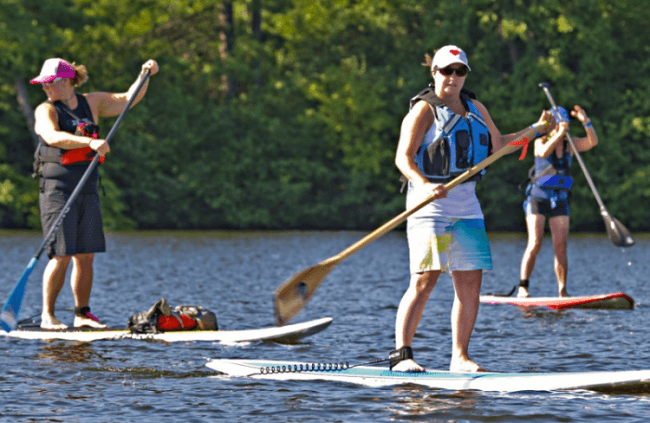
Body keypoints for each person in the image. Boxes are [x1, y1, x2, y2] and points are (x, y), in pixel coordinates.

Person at [392, 45, 550, 372]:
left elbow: (500, 144)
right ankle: (402, 355)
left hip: (467, 207)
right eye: (446, 71)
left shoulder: (475, 107)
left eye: (459, 71)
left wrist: (535, 130)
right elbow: (403, 158)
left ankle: (460, 357)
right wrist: (423, 184)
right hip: (430, 208)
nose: (453, 77)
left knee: (469, 282)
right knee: (425, 279)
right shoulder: (423, 110)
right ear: (434, 73)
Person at [31, 57, 159, 329]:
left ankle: (81, 315)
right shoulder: (46, 110)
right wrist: (90, 141)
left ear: (65, 82)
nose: (45, 89)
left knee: (86, 254)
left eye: (48, 84)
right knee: (61, 255)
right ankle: (48, 316)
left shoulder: (92, 102)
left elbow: (127, 99)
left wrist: (144, 75)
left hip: (87, 187)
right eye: (43, 85)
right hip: (57, 190)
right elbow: (51, 137)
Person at [517, 105, 598, 298]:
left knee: (560, 246)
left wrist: (586, 121)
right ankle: (523, 287)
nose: (564, 129)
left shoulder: (570, 145)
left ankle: (562, 290)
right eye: (560, 125)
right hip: (538, 198)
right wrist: (558, 133)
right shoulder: (541, 141)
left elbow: (592, 142)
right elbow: (543, 153)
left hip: (559, 199)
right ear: (551, 125)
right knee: (535, 243)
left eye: (566, 125)